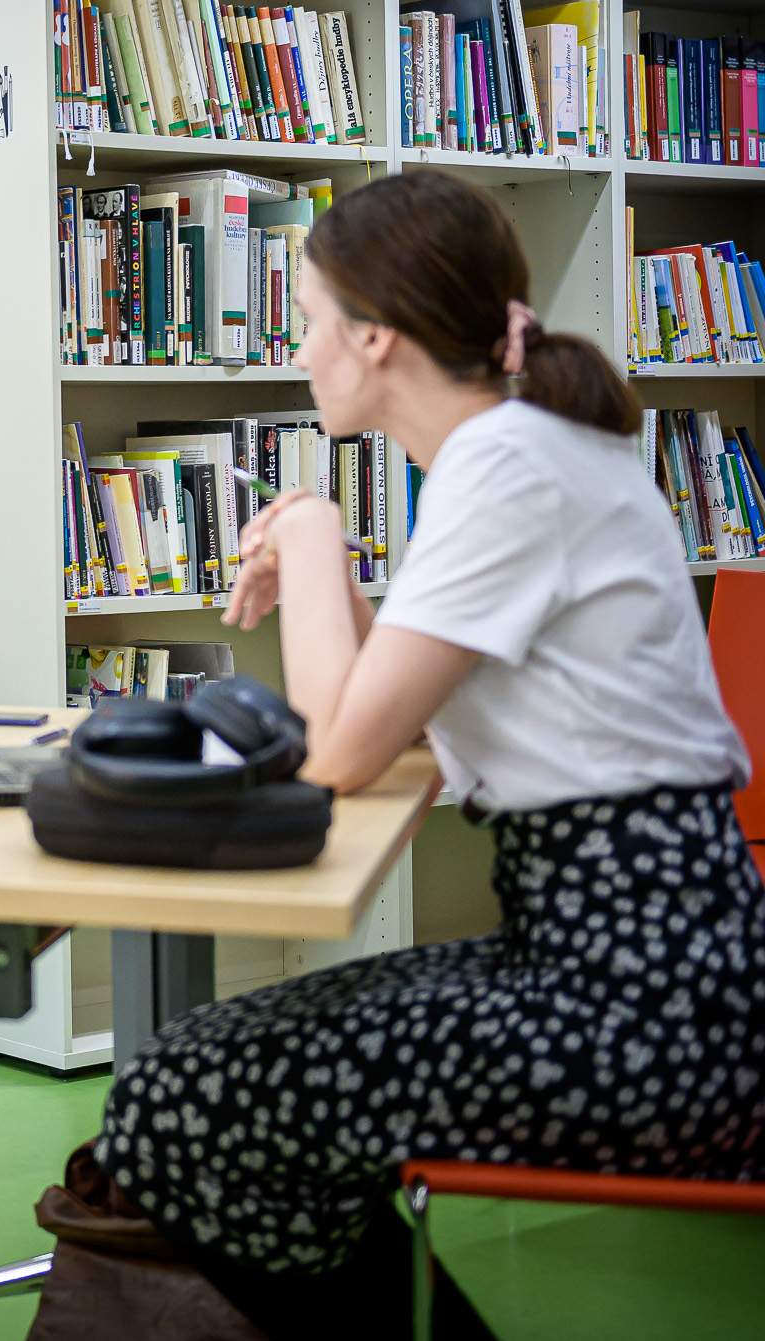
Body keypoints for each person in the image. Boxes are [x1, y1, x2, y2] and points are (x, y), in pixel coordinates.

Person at [78, 173, 765, 1339]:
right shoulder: (529, 453)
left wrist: (306, 525)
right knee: (193, 1072)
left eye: (306, 318)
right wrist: (325, 561)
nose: (296, 346)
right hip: (647, 970)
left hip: (643, 1013)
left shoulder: (505, 467)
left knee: (183, 1093)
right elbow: (394, 736)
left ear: (375, 334)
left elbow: (341, 752)